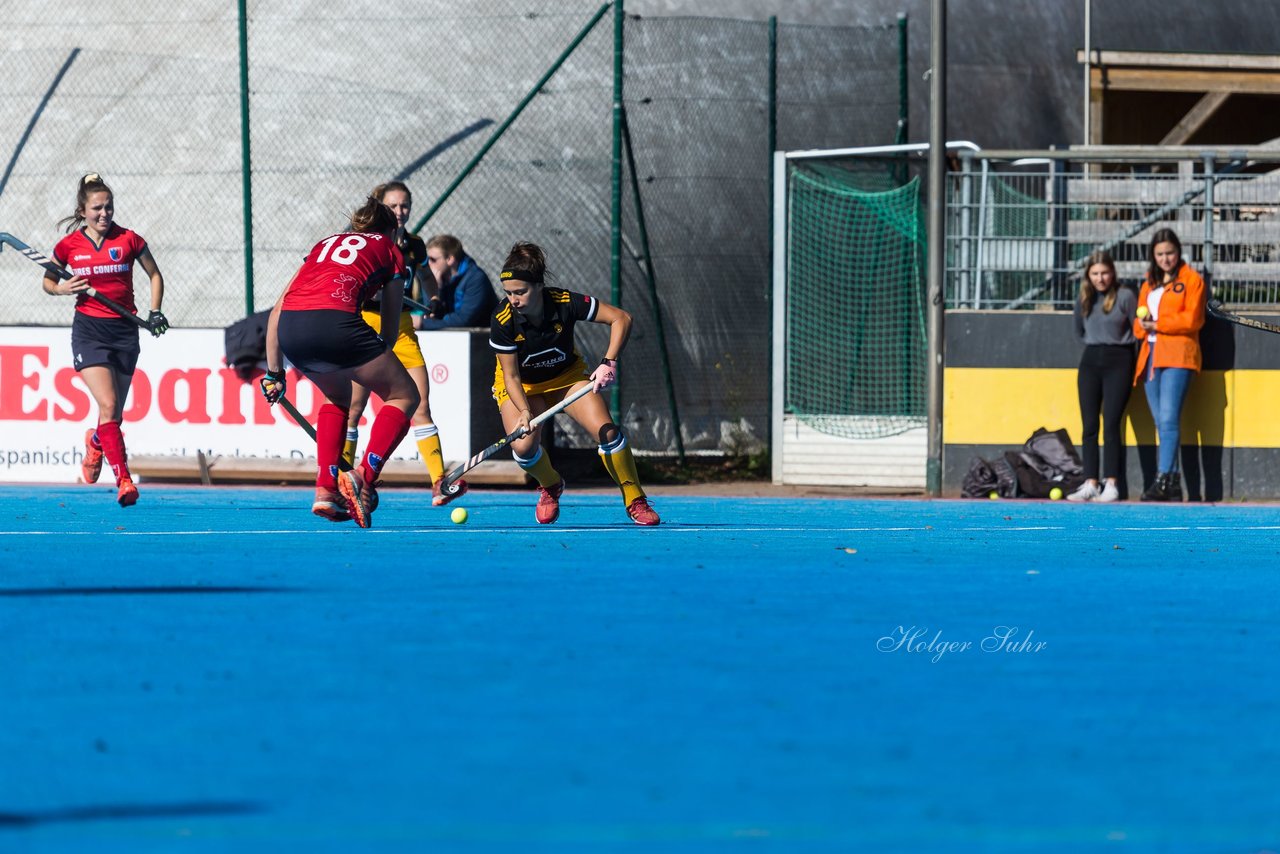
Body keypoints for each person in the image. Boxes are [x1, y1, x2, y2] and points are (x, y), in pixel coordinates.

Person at [261, 196, 419, 528]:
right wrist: (373, 356)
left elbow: (278, 310)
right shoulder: (390, 249)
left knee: (336, 398)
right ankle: (364, 475)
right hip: (336, 323)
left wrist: (275, 373)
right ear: (390, 230)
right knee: (404, 396)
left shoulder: (322, 245)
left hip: (291, 327)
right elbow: (389, 327)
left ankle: (325, 489)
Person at [490, 241, 660, 526]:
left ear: (539, 287)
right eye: (508, 293)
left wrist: (609, 362)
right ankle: (551, 485)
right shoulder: (503, 320)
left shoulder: (565, 302)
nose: (513, 300)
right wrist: (523, 411)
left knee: (607, 432)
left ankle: (635, 499)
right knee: (523, 448)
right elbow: (511, 376)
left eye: (520, 292)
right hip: (525, 388)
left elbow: (621, 318)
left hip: (567, 379)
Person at [42, 173, 169, 507]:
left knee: (113, 417)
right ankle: (124, 480)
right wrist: (61, 288)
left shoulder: (128, 240)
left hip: (125, 331)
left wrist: (155, 311)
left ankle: (96, 442)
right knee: (109, 406)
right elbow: (48, 281)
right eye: (97, 208)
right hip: (90, 332)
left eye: (108, 207)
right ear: (82, 211)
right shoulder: (69, 246)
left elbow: (155, 275)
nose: (104, 213)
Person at [341, 182, 465, 506]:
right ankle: (343, 478)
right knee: (354, 409)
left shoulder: (414, 245)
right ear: (381, 208)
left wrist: (434, 296)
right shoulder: (365, 244)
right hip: (364, 325)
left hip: (402, 327)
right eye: (393, 206)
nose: (400, 212)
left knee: (421, 404)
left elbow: (424, 275)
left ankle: (439, 482)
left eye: (405, 206)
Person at [1131, 228, 1206, 502]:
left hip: (1178, 354)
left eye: (1170, 253)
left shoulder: (1192, 280)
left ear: (1178, 252)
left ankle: (1164, 478)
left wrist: (1158, 324)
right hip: (1150, 355)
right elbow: (1138, 326)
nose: (1165, 259)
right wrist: (1143, 325)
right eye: (1160, 254)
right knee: (1160, 421)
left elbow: (1192, 320)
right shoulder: (1148, 283)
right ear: (1153, 255)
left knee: (1168, 418)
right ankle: (1172, 482)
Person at [1067, 251, 1136, 503]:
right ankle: (1090, 482)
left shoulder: (1125, 296)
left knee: (1111, 424)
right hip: (1090, 361)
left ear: (1112, 272)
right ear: (1088, 275)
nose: (1100, 278)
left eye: (1104, 272)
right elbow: (1078, 331)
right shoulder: (1084, 298)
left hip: (1119, 361)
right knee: (1089, 426)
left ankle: (1112, 483)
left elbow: (1136, 330)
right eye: (1095, 273)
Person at [416, 234, 498, 330]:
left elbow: (464, 320)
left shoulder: (475, 278)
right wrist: (436, 290)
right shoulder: (434, 278)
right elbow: (431, 313)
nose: (428, 264)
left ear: (449, 259)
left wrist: (423, 323)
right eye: (426, 259)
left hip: (481, 337)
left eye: (432, 259)